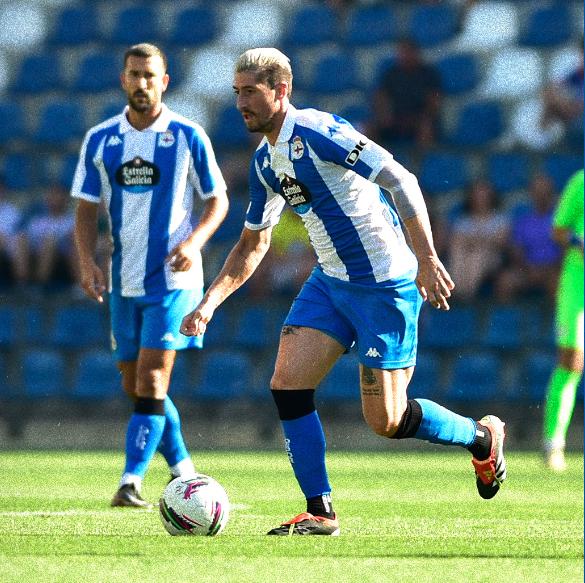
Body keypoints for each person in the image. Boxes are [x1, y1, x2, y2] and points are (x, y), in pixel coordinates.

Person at [181, 48, 507, 536]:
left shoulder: (317, 133)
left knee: (387, 420)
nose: (241, 102)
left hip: (384, 285)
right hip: (331, 282)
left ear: (281, 90)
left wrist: (427, 257)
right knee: (287, 383)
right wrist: (209, 301)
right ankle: (320, 510)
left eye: (251, 91)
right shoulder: (264, 163)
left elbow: (401, 179)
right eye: (237, 92)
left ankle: (482, 437)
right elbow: (254, 242)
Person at [72, 43, 229, 508]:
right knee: (135, 385)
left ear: (165, 81)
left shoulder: (187, 135)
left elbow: (217, 200)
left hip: (175, 281)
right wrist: (86, 261)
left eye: (150, 75)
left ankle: (130, 481)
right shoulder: (100, 139)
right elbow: (84, 209)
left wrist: (195, 242)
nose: (142, 83)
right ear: (123, 79)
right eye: (134, 74)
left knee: (153, 379)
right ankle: (185, 471)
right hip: (124, 280)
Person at [543, 169, 584, 471]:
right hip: (577, 285)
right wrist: (580, 243)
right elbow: (558, 230)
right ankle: (553, 443)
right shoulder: (581, 182)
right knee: (571, 361)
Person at [495, 174, 561, 303]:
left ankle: (556, 322)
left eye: (545, 192)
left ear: (551, 193)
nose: (541, 196)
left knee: (558, 283)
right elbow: (516, 250)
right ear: (532, 194)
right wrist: (528, 268)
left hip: (553, 270)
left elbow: (566, 250)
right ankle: (508, 321)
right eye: (537, 192)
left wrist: (549, 269)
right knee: (505, 281)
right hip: (528, 270)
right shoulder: (523, 221)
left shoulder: (561, 220)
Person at [368, 39, 442, 149]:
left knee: (425, 128)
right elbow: (380, 97)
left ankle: (420, 164)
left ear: (415, 53)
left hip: (418, 119)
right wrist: (384, 114)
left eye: (407, 52)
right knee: (369, 130)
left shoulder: (428, 74)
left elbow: (435, 100)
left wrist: (424, 117)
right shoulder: (391, 74)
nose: (403, 56)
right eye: (401, 52)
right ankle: (370, 163)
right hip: (394, 119)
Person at [447, 180, 509, 300]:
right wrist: (482, 240)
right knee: (460, 252)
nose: (481, 198)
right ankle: (456, 288)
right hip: (466, 257)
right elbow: (456, 241)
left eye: (484, 194)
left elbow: (501, 241)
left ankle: (465, 295)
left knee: (478, 255)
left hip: (493, 258)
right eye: (477, 194)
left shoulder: (499, 219)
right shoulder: (463, 220)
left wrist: (474, 241)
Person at [14, 184, 77, 291]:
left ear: (66, 198)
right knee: (21, 238)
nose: (54, 198)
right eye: (52, 195)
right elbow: (29, 240)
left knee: (49, 242)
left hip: (62, 257)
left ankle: (39, 285)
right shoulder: (38, 220)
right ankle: (21, 283)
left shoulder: (71, 220)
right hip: (35, 255)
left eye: (58, 195)